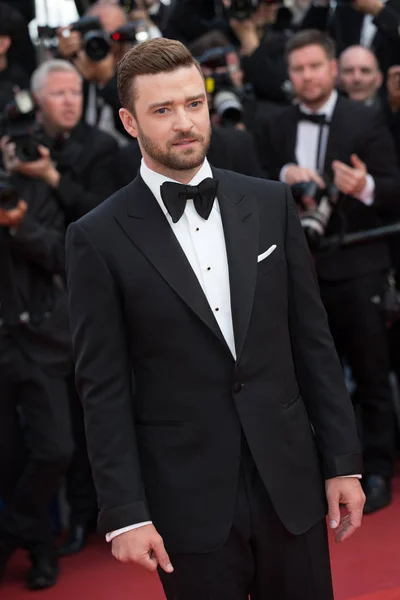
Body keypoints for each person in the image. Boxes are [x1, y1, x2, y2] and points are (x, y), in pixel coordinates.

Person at [66, 37, 365, 600]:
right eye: (162, 110)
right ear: (129, 122)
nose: (184, 122)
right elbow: (102, 387)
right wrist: (125, 512)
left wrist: (343, 462)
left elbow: (313, 344)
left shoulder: (270, 202)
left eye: (193, 103)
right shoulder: (96, 238)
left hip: (290, 481)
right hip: (186, 500)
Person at [258, 29, 399, 514]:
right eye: (298, 69)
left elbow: (394, 191)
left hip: (359, 268)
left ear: (333, 69)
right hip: (300, 274)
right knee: (314, 381)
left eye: (315, 66)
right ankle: (327, 471)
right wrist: (283, 177)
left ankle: (378, 470)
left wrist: (365, 186)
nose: (307, 76)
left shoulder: (366, 117)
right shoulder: (275, 124)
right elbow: (255, 182)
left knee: (371, 374)